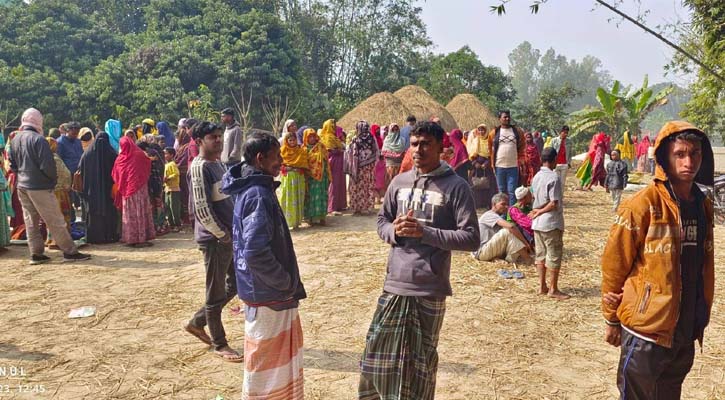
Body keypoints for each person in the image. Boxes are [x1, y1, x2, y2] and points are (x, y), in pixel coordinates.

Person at [358, 121, 479, 400]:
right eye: (414, 144)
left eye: (426, 144)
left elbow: (472, 237)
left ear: (441, 148)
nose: (419, 150)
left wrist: (426, 233)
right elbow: (381, 220)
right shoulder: (399, 182)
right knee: (375, 358)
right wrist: (393, 231)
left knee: (421, 364)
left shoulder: (456, 187)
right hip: (395, 284)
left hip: (430, 287)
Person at [601, 121, 714, 399]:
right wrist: (611, 319)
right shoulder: (643, 204)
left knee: (669, 393)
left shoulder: (702, 204)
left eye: (695, 154)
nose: (689, 162)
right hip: (646, 331)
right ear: (665, 157)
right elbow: (615, 263)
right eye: (680, 154)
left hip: (686, 327)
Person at [222, 131, 306, 399]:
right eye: (276, 156)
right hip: (269, 293)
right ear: (260, 159)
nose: (281, 161)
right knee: (268, 369)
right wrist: (286, 283)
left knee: (268, 362)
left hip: (260, 291)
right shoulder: (258, 193)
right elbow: (256, 251)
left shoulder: (250, 188)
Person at [184, 121, 243, 363]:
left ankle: (197, 322)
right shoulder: (199, 168)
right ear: (199, 141)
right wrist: (222, 234)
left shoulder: (217, 164)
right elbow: (202, 209)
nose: (218, 141)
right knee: (215, 290)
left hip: (227, 236)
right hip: (215, 240)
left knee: (236, 284)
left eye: (219, 136)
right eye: (212, 137)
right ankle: (219, 343)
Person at [8, 108, 91, 264]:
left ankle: (36, 254)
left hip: (22, 186)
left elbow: (12, 164)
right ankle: (70, 252)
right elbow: (48, 166)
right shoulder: (39, 140)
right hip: (39, 186)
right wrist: (51, 182)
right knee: (55, 220)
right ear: (38, 121)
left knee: (30, 221)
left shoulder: (15, 139)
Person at [530, 147, 569, 300]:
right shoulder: (554, 177)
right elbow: (554, 203)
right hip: (551, 222)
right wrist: (541, 211)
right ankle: (553, 288)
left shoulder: (536, 176)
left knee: (540, 255)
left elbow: (535, 198)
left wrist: (537, 211)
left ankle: (541, 286)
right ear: (554, 160)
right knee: (553, 255)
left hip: (537, 224)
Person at [112, 135, 155, 247]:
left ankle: (130, 238)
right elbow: (148, 164)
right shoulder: (139, 154)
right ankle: (141, 238)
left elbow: (115, 174)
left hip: (127, 190)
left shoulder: (120, 159)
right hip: (140, 188)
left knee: (129, 214)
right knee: (140, 211)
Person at [77, 132, 119, 244]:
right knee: (109, 211)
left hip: (91, 191)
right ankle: (110, 235)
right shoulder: (111, 153)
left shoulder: (87, 155)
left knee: (93, 213)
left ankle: (94, 237)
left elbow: (80, 171)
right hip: (108, 190)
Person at [472, 192, 532, 264]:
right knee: (507, 231)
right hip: (482, 252)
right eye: (503, 204)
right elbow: (511, 227)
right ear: (494, 204)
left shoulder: (497, 217)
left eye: (507, 204)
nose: (506, 207)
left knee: (512, 233)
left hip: (490, 249)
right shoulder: (489, 215)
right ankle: (528, 259)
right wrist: (525, 243)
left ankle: (514, 260)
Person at [488, 111, 525, 206]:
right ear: (499, 119)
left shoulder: (517, 131)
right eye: (505, 117)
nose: (507, 119)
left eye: (508, 117)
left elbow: (522, 146)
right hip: (499, 166)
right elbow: (490, 148)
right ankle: (503, 215)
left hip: (513, 166)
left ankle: (511, 215)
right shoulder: (494, 133)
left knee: (512, 192)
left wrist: (521, 159)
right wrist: (492, 163)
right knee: (501, 192)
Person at [346, 121, 378, 215]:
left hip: (358, 168)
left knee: (357, 187)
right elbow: (376, 152)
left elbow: (351, 153)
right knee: (367, 186)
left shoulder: (355, 139)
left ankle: (357, 209)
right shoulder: (371, 139)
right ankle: (367, 208)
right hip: (368, 168)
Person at [45, 137, 73, 246]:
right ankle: (62, 240)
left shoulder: (45, 158)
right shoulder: (55, 158)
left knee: (52, 217)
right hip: (60, 193)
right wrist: (67, 186)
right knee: (61, 216)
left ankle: (52, 239)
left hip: (49, 192)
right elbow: (66, 174)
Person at [138, 137, 167, 235]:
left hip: (150, 184)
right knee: (158, 204)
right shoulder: (155, 152)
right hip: (156, 182)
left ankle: (156, 226)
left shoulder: (144, 155)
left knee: (153, 205)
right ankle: (160, 226)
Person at [279, 132, 308, 229]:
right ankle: (287, 222)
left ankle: (296, 222)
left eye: (294, 139)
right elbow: (280, 165)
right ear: (286, 141)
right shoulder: (282, 151)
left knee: (298, 198)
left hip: (299, 178)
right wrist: (290, 168)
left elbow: (304, 164)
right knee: (287, 198)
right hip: (288, 178)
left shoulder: (301, 151)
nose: (292, 142)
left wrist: (297, 168)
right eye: (290, 140)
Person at [303, 128, 331, 225]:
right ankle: (310, 218)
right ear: (306, 138)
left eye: (313, 136)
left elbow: (326, 160)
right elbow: (303, 163)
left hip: (321, 176)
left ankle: (322, 217)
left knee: (322, 195)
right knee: (310, 197)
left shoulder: (321, 146)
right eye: (309, 136)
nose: (312, 138)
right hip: (310, 177)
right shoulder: (304, 149)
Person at [320, 119, 346, 214]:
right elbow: (329, 151)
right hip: (333, 162)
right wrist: (339, 150)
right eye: (332, 125)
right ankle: (332, 207)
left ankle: (339, 205)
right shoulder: (327, 138)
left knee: (339, 182)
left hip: (338, 161)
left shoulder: (334, 137)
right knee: (333, 183)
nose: (334, 127)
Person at [467, 123, 496, 209]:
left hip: (487, 167)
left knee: (488, 185)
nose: (481, 131)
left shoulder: (489, 141)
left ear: (486, 131)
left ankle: (487, 204)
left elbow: (491, 154)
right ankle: (477, 204)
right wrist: (475, 163)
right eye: (479, 130)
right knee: (476, 184)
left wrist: (486, 163)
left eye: (483, 130)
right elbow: (471, 154)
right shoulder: (475, 141)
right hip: (476, 167)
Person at [163, 147, 182, 232]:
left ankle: (177, 224)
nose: (165, 155)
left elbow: (176, 173)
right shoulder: (166, 164)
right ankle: (171, 224)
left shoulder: (172, 164)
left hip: (174, 189)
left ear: (171, 155)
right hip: (167, 189)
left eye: (166, 153)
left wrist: (168, 178)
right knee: (167, 207)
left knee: (174, 208)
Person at [549, 126, 572, 193]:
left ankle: (560, 198)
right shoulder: (554, 140)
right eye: (564, 132)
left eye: (567, 133)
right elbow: (551, 151)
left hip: (564, 164)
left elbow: (570, 153)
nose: (565, 134)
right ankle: (554, 197)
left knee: (562, 183)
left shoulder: (569, 141)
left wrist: (569, 163)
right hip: (555, 164)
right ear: (560, 132)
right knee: (555, 181)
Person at [371, 124, 387, 204]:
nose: (377, 131)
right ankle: (376, 197)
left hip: (381, 161)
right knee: (375, 179)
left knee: (381, 179)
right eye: (376, 129)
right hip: (375, 161)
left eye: (378, 129)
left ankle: (379, 196)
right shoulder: (371, 139)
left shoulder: (380, 138)